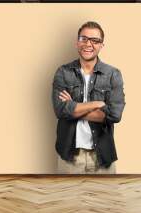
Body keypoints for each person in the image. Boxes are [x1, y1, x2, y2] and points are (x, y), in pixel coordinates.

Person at [52, 21, 125, 174]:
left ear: (101, 45)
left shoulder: (113, 74)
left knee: (106, 198)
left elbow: (114, 115)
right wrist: (97, 103)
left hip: (103, 156)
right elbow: (60, 111)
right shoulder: (63, 72)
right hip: (69, 157)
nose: (88, 44)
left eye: (95, 40)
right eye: (83, 38)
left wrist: (73, 107)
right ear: (76, 42)